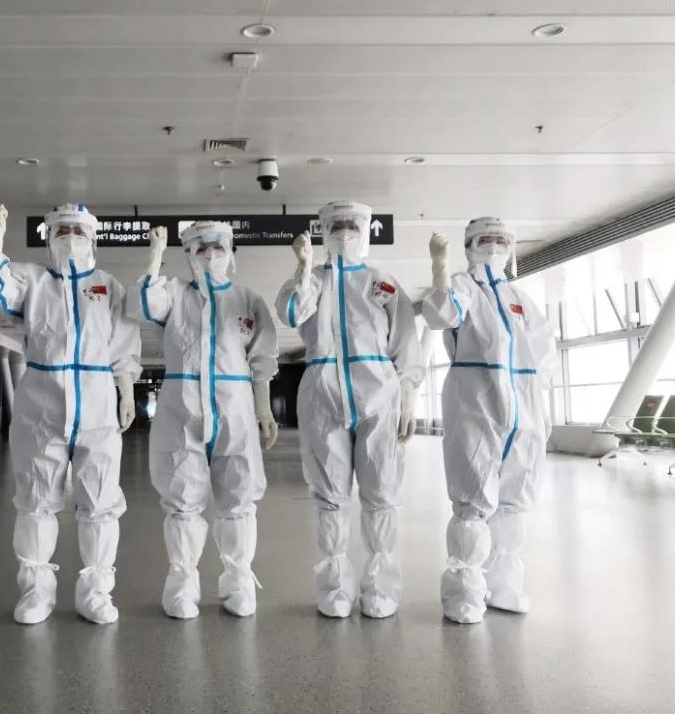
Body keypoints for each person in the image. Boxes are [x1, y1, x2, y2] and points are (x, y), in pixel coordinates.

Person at [0, 203, 141, 625]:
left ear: (92, 238)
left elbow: (124, 343)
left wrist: (125, 390)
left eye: (78, 230)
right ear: (48, 238)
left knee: (100, 502)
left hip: (97, 406)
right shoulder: (33, 280)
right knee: (35, 501)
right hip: (41, 406)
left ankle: (96, 592)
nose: (69, 237)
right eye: (61, 230)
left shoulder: (108, 286)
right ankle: (36, 591)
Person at [275, 201, 423, 618]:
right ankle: (334, 588)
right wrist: (304, 268)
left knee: (381, 493)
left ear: (365, 228)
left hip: (378, 391)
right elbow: (291, 312)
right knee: (329, 496)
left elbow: (406, 339)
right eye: (335, 224)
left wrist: (408, 395)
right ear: (322, 230)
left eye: (352, 224)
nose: (344, 231)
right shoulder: (312, 280)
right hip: (322, 392)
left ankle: (381, 587)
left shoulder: (382, 282)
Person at [128, 221, 279, 619]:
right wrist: (155, 256)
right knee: (181, 500)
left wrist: (263, 409)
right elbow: (143, 305)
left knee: (239, 498)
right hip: (181, 408)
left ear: (231, 252)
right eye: (200, 248)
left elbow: (263, 358)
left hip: (235, 407)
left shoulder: (248, 300)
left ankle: (238, 583)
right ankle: (181, 585)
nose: (210, 254)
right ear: (187, 255)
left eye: (217, 246)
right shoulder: (174, 294)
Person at [421, 217, 556, 624]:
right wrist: (439, 268)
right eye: (485, 240)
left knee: (514, 499)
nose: (494, 246)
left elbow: (544, 354)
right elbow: (441, 315)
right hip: (476, 404)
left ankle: (505, 585)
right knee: (473, 497)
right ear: (469, 245)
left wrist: (541, 407)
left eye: (501, 240)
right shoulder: (463, 287)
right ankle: (464, 591)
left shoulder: (521, 299)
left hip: (524, 408)